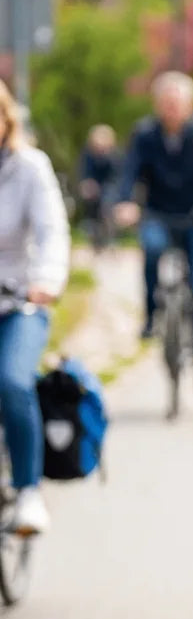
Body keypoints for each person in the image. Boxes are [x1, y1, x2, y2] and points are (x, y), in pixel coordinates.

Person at [113, 72, 193, 390]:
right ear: (157, 104)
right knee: (152, 250)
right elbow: (130, 172)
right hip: (158, 213)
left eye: (177, 103)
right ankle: (153, 315)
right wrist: (125, 201)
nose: (171, 109)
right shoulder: (145, 134)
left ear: (189, 105)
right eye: (166, 103)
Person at [0, 80, 70, 535]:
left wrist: (46, 279)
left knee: (11, 381)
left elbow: (51, 230)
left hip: (19, 300)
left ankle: (27, 490)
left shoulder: (28, 167)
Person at [78, 124, 121, 251]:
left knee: (107, 203)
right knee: (90, 197)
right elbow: (85, 173)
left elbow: (117, 176)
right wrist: (88, 183)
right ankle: (94, 234)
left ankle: (111, 238)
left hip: (111, 188)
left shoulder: (114, 155)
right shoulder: (88, 155)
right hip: (95, 188)